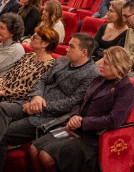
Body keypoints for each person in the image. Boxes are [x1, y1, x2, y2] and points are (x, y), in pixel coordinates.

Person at [0, 33, 100, 168]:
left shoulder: (92, 74)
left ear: (84, 52)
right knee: (2, 108)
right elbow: (42, 80)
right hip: (32, 102)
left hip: (49, 116)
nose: (66, 49)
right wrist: (36, 97)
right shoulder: (62, 61)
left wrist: (40, 106)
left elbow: (73, 102)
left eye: (71, 47)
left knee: (4, 134)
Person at [29, 46, 134, 172]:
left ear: (117, 66)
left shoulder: (125, 87)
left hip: (93, 136)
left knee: (46, 156)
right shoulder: (100, 78)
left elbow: (114, 120)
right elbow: (80, 103)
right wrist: (74, 116)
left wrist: (83, 122)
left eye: (105, 63)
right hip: (74, 127)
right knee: (34, 149)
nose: (101, 65)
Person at [0, 25, 57, 101]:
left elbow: (31, 90)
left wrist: (4, 92)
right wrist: (1, 85)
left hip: (16, 100)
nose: (31, 39)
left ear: (45, 44)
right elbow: (9, 74)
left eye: (34, 37)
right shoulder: (28, 56)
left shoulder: (49, 65)